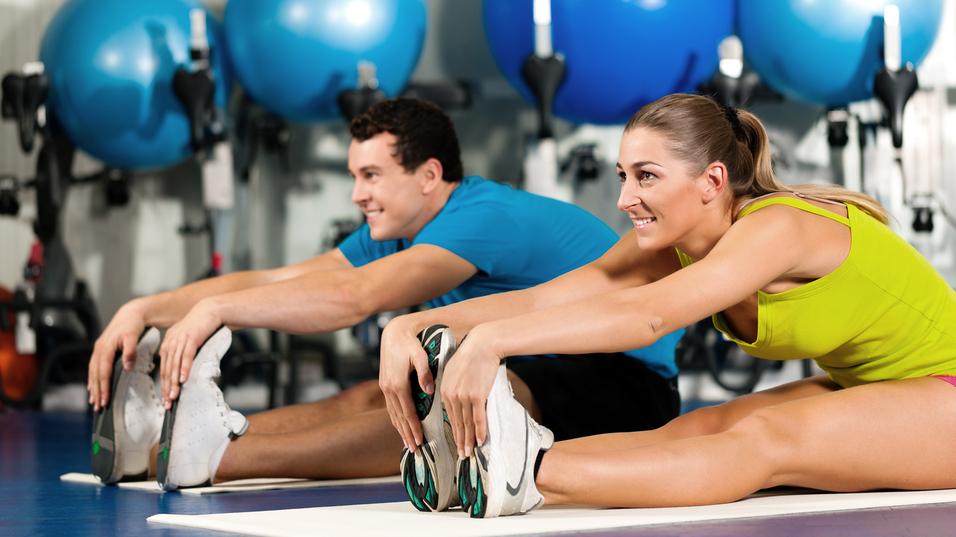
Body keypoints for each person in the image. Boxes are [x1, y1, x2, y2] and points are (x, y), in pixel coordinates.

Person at [380, 93, 956, 518]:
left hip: (945, 390)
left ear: (712, 180)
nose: (626, 198)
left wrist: (494, 343)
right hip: (881, 388)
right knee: (701, 427)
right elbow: (541, 300)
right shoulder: (672, 239)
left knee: (768, 440)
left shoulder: (778, 228)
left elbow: (648, 316)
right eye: (623, 176)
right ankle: (475, 464)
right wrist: (415, 323)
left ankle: (521, 471)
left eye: (647, 177)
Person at [86, 98, 683, 507]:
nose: (357, 194)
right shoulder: (396, 229)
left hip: (624, 384)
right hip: (524, 364)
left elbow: (354, 298)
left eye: (371, 175)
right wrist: (147, 308)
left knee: (449, 405)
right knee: (378, 394)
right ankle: (182, 442)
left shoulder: (483, 215)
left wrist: (216, 313)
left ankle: (219, 458)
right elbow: (278, 280)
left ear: (428, 175)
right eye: (354, 175)